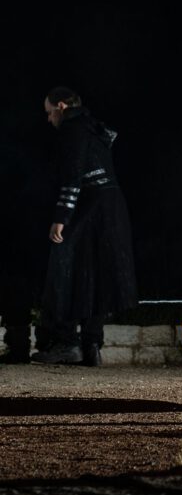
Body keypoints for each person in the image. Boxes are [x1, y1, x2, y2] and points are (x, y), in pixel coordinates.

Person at [31, 87, 137, 366]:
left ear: (61, 106)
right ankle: (92, 346)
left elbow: (73, 175)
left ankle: (67, 343)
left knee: (63, 268)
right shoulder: (93, 129)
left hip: (92, 205)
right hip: (111, 207)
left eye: (49, 112)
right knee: (96, 270)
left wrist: (61, 217)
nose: (48, 118)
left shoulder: (73, 129)